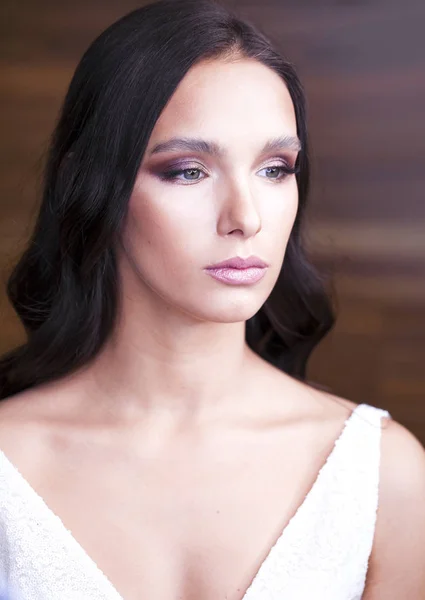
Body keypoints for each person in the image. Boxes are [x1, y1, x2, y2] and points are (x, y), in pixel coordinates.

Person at [0, 0, 424, 598]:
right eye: (187, 171)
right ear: (90, 184)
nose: (245, 218)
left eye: (275, 168)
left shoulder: (383, 475)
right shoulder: (9, 462)